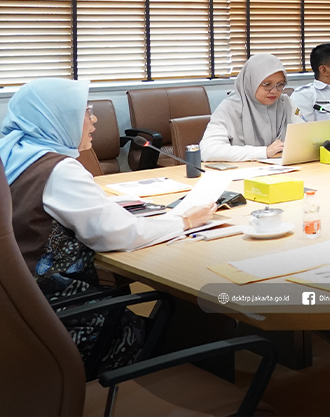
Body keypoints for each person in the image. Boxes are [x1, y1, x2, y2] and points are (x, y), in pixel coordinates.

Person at [2, 79, 215, 369]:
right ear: (57, 117)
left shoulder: (14, 155)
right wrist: (186, 220)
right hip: (62, 321)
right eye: (85, 111)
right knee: (179, 324)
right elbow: (119, 235)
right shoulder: (59, 170)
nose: (94, 119)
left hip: (19, 316)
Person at [200, 53, 295, 161]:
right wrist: (264, 152)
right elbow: (208, 151)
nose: (274, 91)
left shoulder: (284, 103)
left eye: (280, 84)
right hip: (241, 170)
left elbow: (305, 138)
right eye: (267, 84)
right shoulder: (230, 107)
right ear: (251, 82)